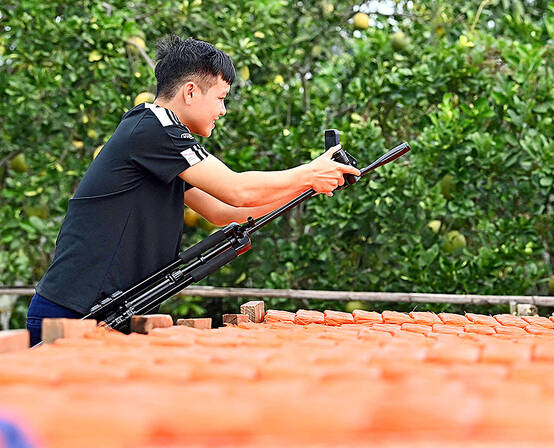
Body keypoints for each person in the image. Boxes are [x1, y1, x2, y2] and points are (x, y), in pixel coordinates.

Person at [26, 35, 359, 345]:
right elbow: (236, 189)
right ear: (190, 92)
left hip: (105, 311)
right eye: (220, 98)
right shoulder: (156, 129)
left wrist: (309, 186)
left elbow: (223, 213)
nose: (222, 111)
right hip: (72, 313)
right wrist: (309, 172)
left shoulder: (157, 136)